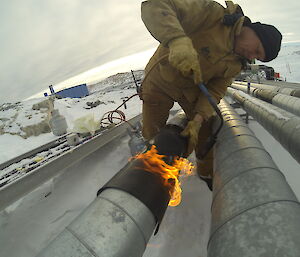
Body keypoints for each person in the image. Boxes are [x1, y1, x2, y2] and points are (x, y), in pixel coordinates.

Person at [140, 0, 282, 190]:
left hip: (191, 90)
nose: (251, 57)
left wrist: (197, 120)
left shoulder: (237, 63)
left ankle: (206, 172)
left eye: (257, 58)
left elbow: (215, 91)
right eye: (256, 50)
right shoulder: (212, 15)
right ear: (254, 32)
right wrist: (177, 40)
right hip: (160, 78)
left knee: (204, 131)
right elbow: (155, 5)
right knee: (152, 132)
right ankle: (152, 174)